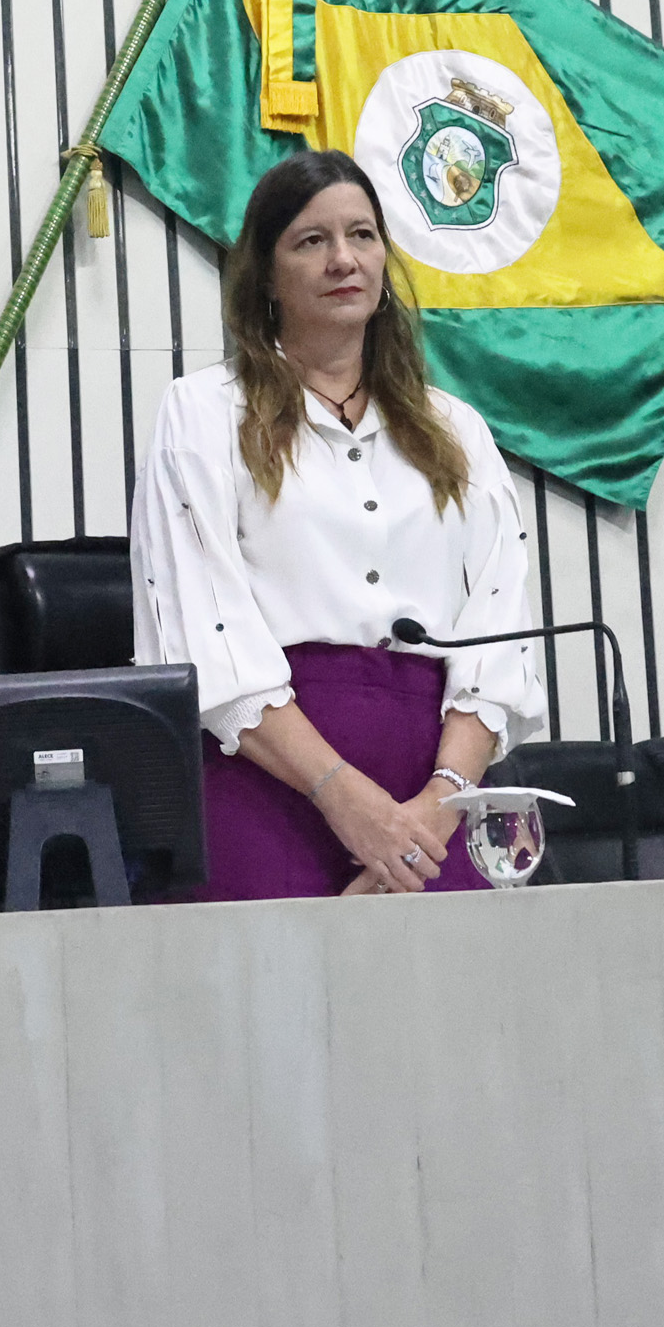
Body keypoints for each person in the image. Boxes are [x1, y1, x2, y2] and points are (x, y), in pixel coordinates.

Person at [128, 149, 546, 899]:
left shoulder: (458, 430)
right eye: (311, 241)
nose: (343, 259)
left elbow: (500, 633)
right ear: (266, 276)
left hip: (436, 797)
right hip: (269, 780)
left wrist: (429, 815)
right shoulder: (202, 415)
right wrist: (344, 800)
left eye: (361, 235)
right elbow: (205, 638)